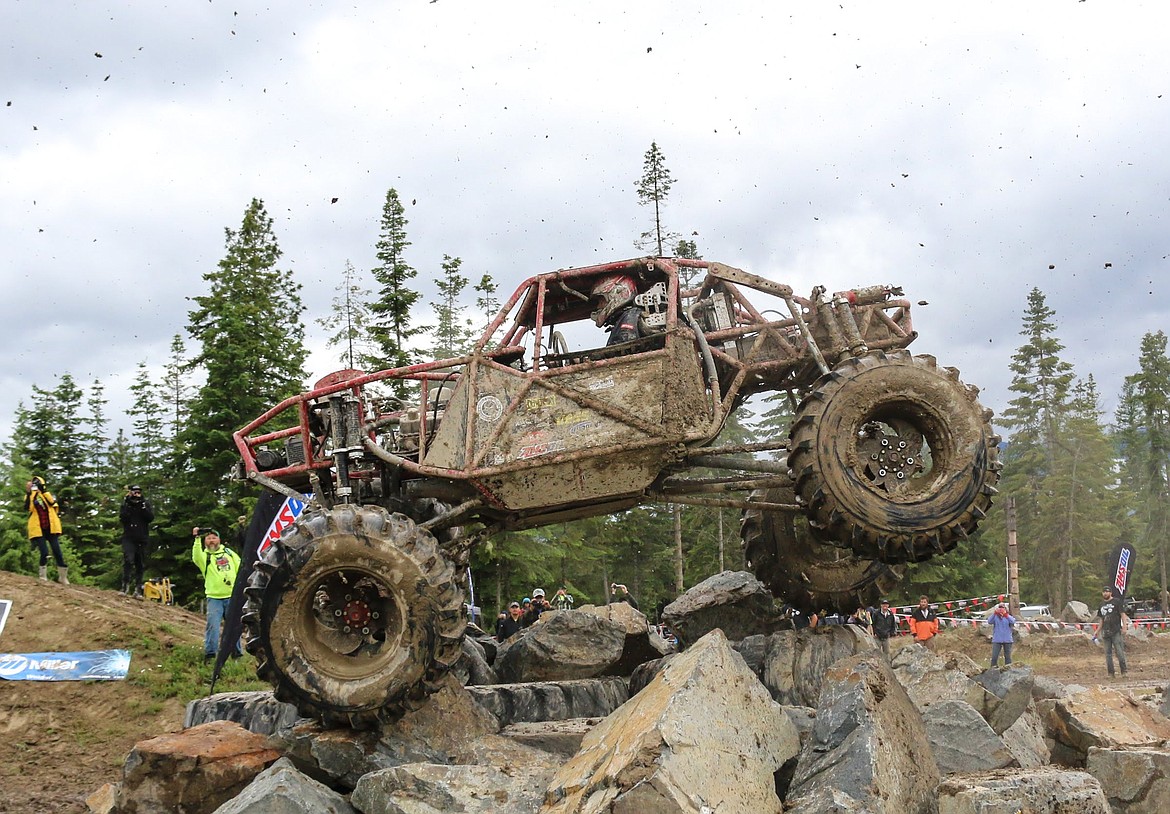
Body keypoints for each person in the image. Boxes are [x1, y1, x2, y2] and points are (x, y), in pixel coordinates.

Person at [191, 527, 242, 662]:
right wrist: (197, 538)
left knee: (233, 626)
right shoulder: (204, 556)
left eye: (214, 538)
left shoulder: (229, 553)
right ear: (205, 542)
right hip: (214, 598)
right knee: (213, 626)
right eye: (208, 538)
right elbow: (196, 556)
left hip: (232, 596)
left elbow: (240, 568)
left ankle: (236, 654)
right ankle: (210, 654)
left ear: (219, 539)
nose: (211, 541)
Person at [25, 476, 69, 584]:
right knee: (44, 552)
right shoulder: (32, 496)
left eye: (37, 484)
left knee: (57, 551)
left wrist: (43, 491)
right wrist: (29, 493)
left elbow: (52, 503)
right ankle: (42, 577)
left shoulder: (47, 494)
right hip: (38, 528)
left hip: (51, 527)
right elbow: (27, 507)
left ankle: (63, 577)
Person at [119, 485, 154, 596]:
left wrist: (142, 506)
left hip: (141, 537)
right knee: (128, 560)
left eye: (138, 492)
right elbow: (123, 518)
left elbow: (150, 518)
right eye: (134, 492)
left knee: (140, 563)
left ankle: (138, 588)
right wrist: (128, 504)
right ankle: (125, 586)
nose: (136, 494)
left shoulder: (145, 504)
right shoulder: (126, 504)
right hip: (129, 537)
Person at [590, 274, 643, 346]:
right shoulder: (626, 317)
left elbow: (624, 348)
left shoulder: (629, 316)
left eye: (602, 301)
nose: (598, 306)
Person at [1095, 586, 1129, 678]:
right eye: (1104, 592)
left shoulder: (1116, 602)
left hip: (1116, 630)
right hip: (1105, 632)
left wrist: (1125, 626)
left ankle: (1124, 671)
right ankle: (1111, 673)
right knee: (1108, 654)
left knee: (1119, 652)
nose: (1105, 593)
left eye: (1107, 591)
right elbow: (1101, 619)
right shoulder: (1101, 604)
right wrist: (1097, 630)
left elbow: (1123, 614)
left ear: (1110, 593)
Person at [987, 603, 1016, 667]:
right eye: (1000, 608)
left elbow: (1013, 621)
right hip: (997, 639)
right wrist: (995, 613)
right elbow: (989, 621)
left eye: (1002, 608)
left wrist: (1005, 614)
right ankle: (993, 670)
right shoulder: (995, 617)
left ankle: (1008, 670)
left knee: (1008, 657)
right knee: (994, 656)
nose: (1001, 609)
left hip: (1007, 639)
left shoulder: (1008, 616)